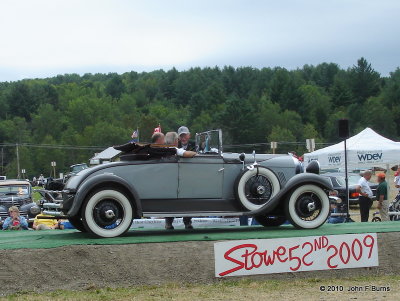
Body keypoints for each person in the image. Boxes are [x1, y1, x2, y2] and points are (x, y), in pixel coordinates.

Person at [164, 131, 195, 230]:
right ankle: (186, 222)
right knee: (186, 198)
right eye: (177, 139)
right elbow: (187, 154)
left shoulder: (162, 149)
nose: (179, 141)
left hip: (167, 178)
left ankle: (169, 223)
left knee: (169, 200)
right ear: (174, 141)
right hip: (176, 177)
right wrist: (195, 153)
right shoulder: (174, 149)